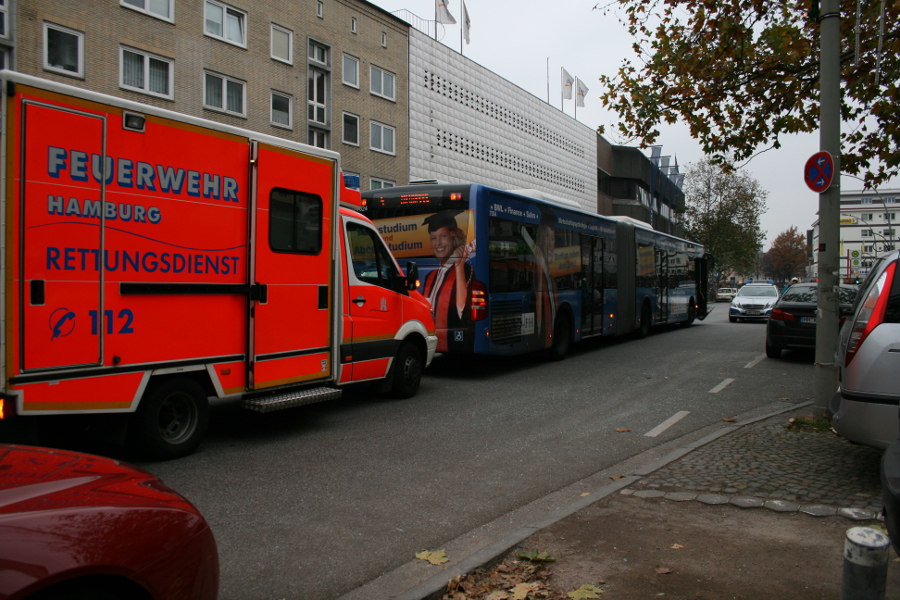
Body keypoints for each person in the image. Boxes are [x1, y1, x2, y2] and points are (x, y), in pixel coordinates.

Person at [422, 210, 474, 352]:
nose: (438, 243)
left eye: (443, 236)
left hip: (456, 342)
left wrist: (459, 266)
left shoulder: (466, 270)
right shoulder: (430, 276)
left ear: (455, 239)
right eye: (433, 238)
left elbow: (462, 310)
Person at [532, 206, 558, 348]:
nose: (549, 244)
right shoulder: (536, 273)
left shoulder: (552, 280)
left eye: (552, 238)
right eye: (545, 237)